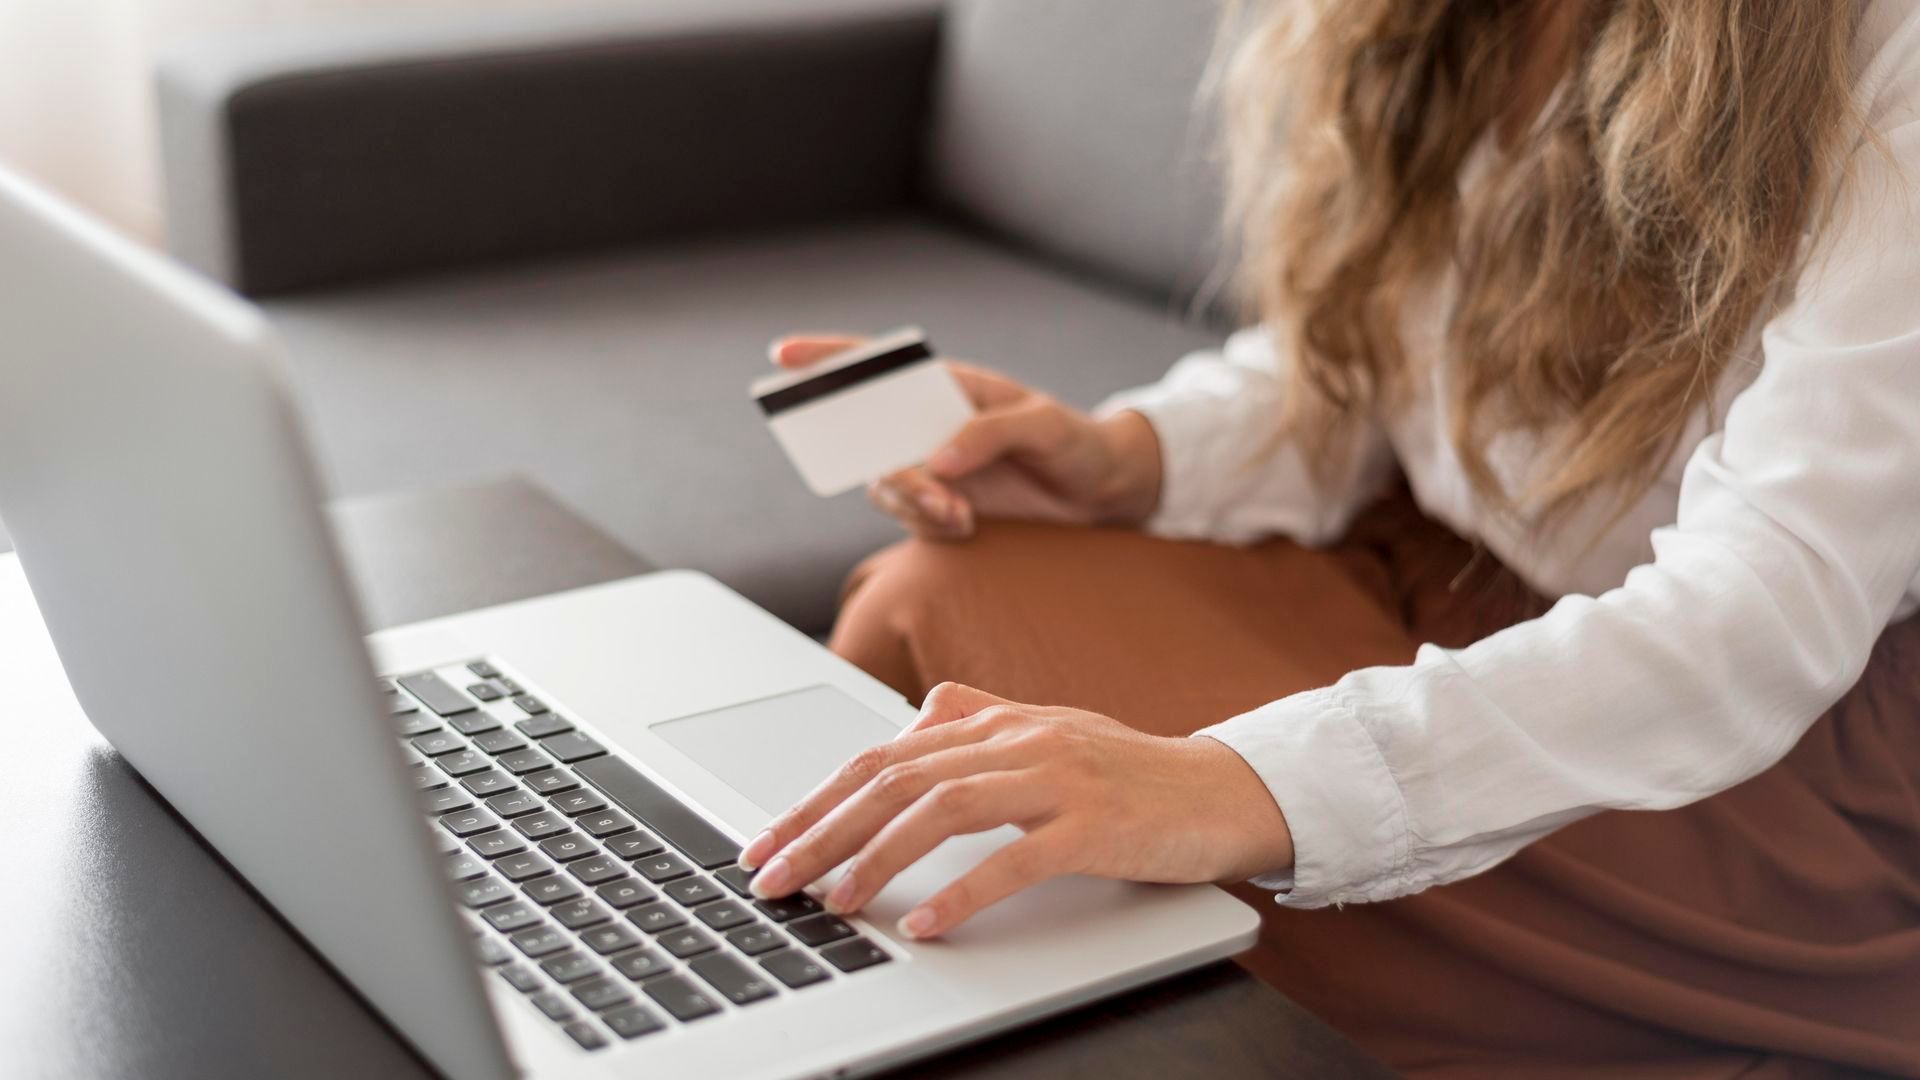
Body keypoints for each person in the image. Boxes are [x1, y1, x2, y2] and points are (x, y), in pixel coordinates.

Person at [744, 1, 1920, 1075]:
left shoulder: (1880, 50)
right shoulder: (1403, 25)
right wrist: (1128, 457)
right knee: (948, 595)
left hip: (1739, 752)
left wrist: (1234, 783)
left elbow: (1762, 607)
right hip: (1436, 586)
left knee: (1194, 913)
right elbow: (1363, 366)